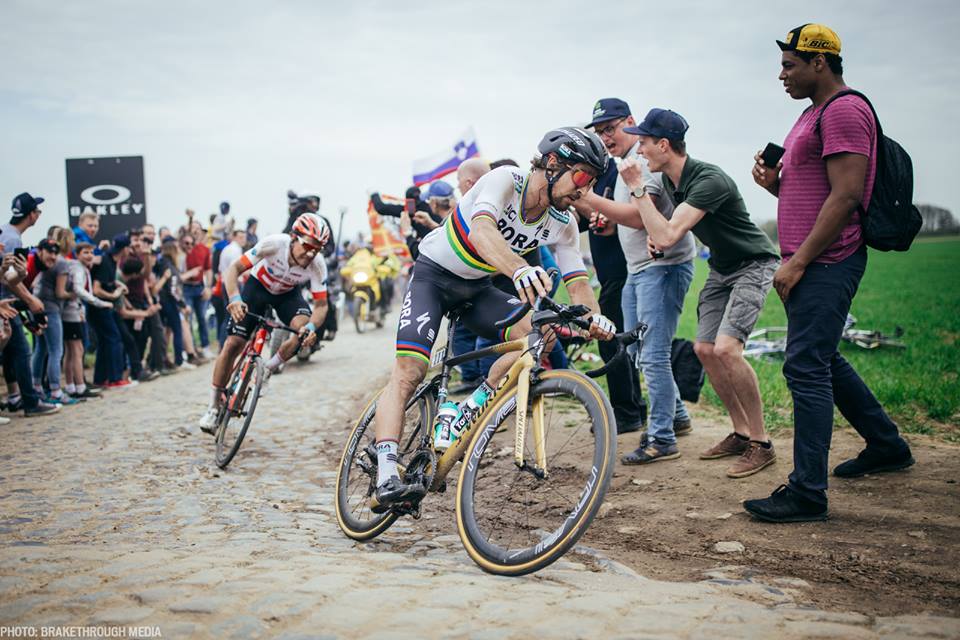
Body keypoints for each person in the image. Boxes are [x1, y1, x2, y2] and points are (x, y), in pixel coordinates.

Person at [371, 127, 617, 510]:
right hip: (434, 276)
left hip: (477, 289)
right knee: (409, 372)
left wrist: (596, 319)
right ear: (553, 163)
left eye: (593, 182)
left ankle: (471, 407)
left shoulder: (564, 222)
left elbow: (579, 284)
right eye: (583, 176)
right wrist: (519, 269)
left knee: (541, 334)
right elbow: (483, 231)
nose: (584, 191)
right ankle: (386, 470)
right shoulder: (505, 181)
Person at [743, 25, 914, 522]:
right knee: (820, 358)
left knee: (805, 367)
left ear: (820, 63)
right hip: (808, 260)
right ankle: (886, 444)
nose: (782, 75)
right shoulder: (810, 114)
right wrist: (776, 186)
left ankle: (806, 493)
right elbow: (816, 193)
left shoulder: (843, 111)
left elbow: (846, 196)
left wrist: (797, 262)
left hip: (827, 260)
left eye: (790, 65)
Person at [619, 108, 781, 478]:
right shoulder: (675, 181)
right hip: (722, 268)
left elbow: (666, 234)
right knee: (704, 350)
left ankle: (762, 443)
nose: (639, 151)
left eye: (643, 143)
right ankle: (741, 433)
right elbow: (668, 231)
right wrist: (658, 242)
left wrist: (637, 189)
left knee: (726, 348)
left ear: (664, 145)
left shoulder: (708, 179)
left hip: (754, 264)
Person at [581, 97, 695, 448]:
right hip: (638, 269)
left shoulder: (640, 165)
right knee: (633, 350)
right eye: (600, 132)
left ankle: (662, 438)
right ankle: (676, 415)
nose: (605, 137)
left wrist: (586, 199)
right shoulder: (625, 164)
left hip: (662, 268)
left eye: (610, 129)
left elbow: (634, 214)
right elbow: (633, 217)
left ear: (629, 122)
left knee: (652, 354)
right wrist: (604, 216)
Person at [197, 213, 331, 432]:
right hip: (257, 289)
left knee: (303, 332)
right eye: (307, 246)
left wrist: (311, 327)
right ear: (293, 237)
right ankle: (213, 407)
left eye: (317, 249)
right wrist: (234, 299)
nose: (311, 253)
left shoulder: (317, 264)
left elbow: (322, 306)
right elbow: (234, 270)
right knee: (233, 344)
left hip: (287, 296)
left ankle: (268, 368)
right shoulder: (274, 244)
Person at [0, 193, 60, 416]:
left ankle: (16, 396)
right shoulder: (13, 239)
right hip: (6, 301)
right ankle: (31, 402)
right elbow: (9, 278)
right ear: (32, 215)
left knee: (10, 351)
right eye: (38, 211)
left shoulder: (6, 231)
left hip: (6, 299)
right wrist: (30, 300)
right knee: (22, 351)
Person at [31, 235, 79, 405]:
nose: (52, 255)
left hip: (37, 306)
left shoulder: (42, 261)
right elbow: (60, 293)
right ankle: (56, 391)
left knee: (41, 349)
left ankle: (36, 386)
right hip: (51, 309)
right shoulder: (62, 263)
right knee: (56, 351)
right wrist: (74, 294)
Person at [64, 242, 111, 398]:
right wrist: (98, 302)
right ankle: (79, 386)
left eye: (91, 252)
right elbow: (78, 288)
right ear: (77, 254)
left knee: (71, 351)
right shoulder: (77, 268)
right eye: (85, 252)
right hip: (71, 312)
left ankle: (71, 387)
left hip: (74, 311)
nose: (89, 255)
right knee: (77, 350)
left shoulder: (81, 268)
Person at [89, 235, 136, 388]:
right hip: (100, 307)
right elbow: (96, 289)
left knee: (105, 341)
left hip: (103, 307)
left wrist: (118, 285)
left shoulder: (112, 260)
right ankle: (115, 378)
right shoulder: (106, 261)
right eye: (129, 247)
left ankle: (100, 379)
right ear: (124, 249)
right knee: (114, 339)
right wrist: (113, 295)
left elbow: (107, 279)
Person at [180, 226, 213, 358]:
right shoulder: (184, 248)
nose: (196, 231)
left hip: (200, 287)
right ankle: (190, 350)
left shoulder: (205, 249)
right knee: (188, 319)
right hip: (185, 287)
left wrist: (208, 287)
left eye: (198, 229)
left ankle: (205, 347)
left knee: (202, 318)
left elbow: (208, 270)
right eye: (193, 229)